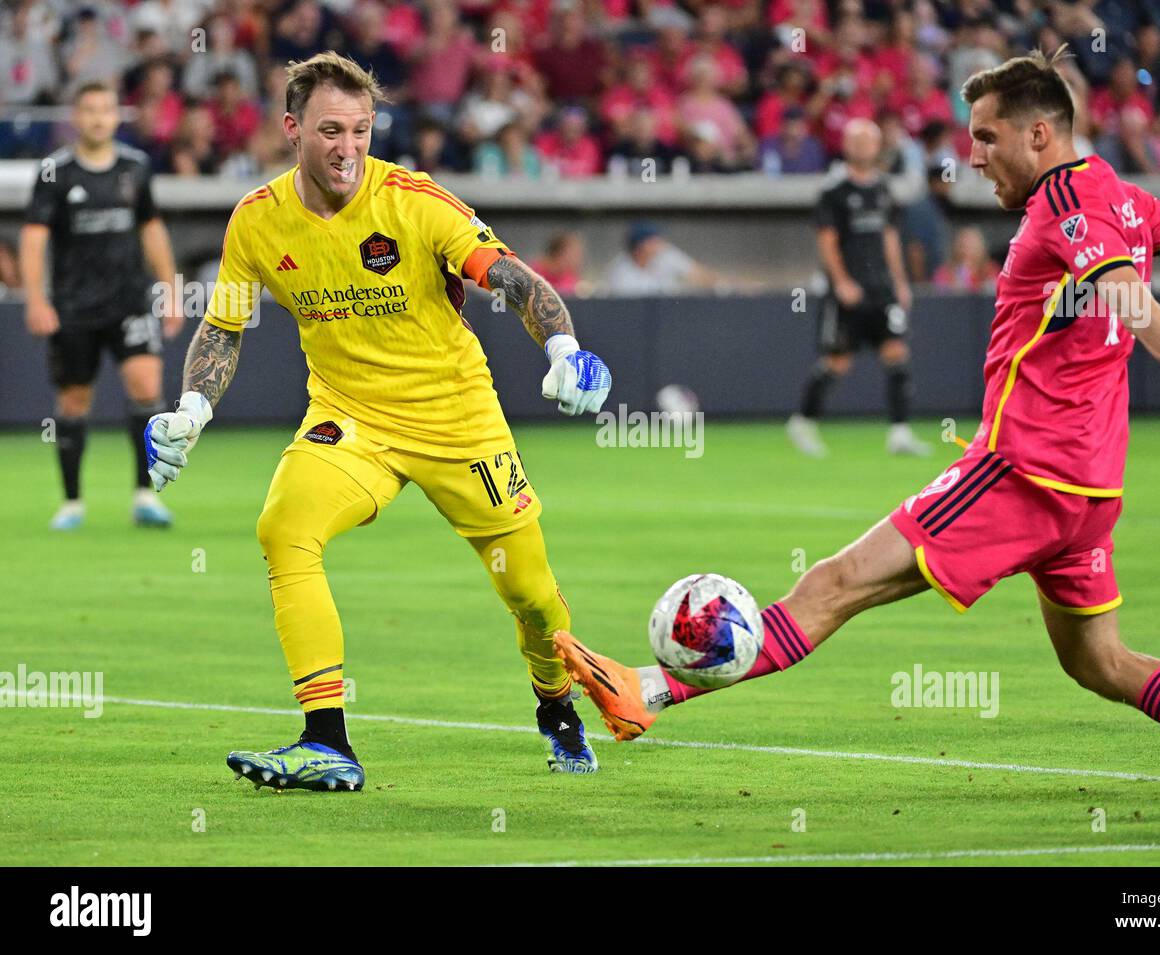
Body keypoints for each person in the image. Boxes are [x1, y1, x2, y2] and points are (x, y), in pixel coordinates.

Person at [553, 48, 1160, 807]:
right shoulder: (1123, 197)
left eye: (985, 137)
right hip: (1090, 492)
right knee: (1100, 663)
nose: (972, 158)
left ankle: (646, 689)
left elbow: (1127, 296)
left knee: (835, 582)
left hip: (1023, 472)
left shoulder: (1067, 207)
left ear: (1039, 134)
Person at [143, 53, 613, 790]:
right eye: (332, 131)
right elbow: (225, 326)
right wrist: (192, 409)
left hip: (460, 421)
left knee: (529, 592)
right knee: (283, 528)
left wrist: (564, 347)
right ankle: (327, 740)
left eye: (362, 130)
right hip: (350, 419)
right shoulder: (259, 220)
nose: (349, 148)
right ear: (292, 128)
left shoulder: (415, 200)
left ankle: (556, 705)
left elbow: (514, 277)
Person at [21, 81, 183, 531]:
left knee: (145, 383)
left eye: (106, 109)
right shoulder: (56, 171)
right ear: (77, 117)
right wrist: (36, 299)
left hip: (129, 301)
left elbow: (152, 228)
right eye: (89, 110)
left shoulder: (137, 167)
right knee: (75, 399)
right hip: (74, 306)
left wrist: (171, 288)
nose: (98, 118)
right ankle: (72, 502)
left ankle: (144, 495)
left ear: (117, 117)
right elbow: (34, 239)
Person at [787, 118, 930, 459]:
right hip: (850, 290)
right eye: (856, 140)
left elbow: (890, 238)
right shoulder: (834, 192)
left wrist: (900, 282)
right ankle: (803, 422)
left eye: (869, 140)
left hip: (883, 288)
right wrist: (841, 282)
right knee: (837, 361)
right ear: (846, 146)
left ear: (877, 146)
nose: (863, 146)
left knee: (896, 353)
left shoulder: (884, 190)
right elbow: (827, 240)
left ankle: (899, 432)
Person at [603, 221, 718, 295]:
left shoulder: (667, 255)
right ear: (639, 246)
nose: (660, 244)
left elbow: (704, 277)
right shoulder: (620, 270)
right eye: (653, 241)